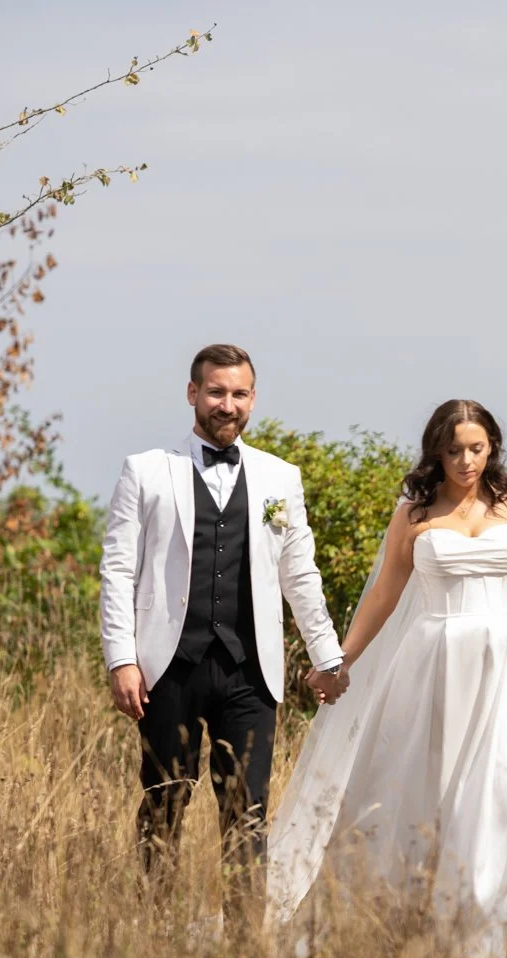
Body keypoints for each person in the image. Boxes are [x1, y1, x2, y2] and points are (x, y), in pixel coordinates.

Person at [265, 399, 507, 958]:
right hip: (434, 663)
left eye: (476, 448)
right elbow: (383, 596)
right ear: (435, 452)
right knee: (420, 794)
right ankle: (406, 929)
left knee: (499, 791)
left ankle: (481, 945)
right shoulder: (415, 516)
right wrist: (338, 661)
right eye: (453, 450)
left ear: (492, 447)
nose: (466, 461)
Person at [98, 343, 348, 919]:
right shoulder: (147, 469)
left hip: (249, 671)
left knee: (247, 810)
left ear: (252, 399)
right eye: (216, 392)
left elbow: (299, 572)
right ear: (193, 394)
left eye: (238, 394)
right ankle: (154, 931)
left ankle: (243, 949)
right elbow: (117, 570)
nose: (226, 405)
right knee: (163, 804)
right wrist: (121, 659)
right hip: (168, 668)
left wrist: (326, 656)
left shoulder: (279, 478)